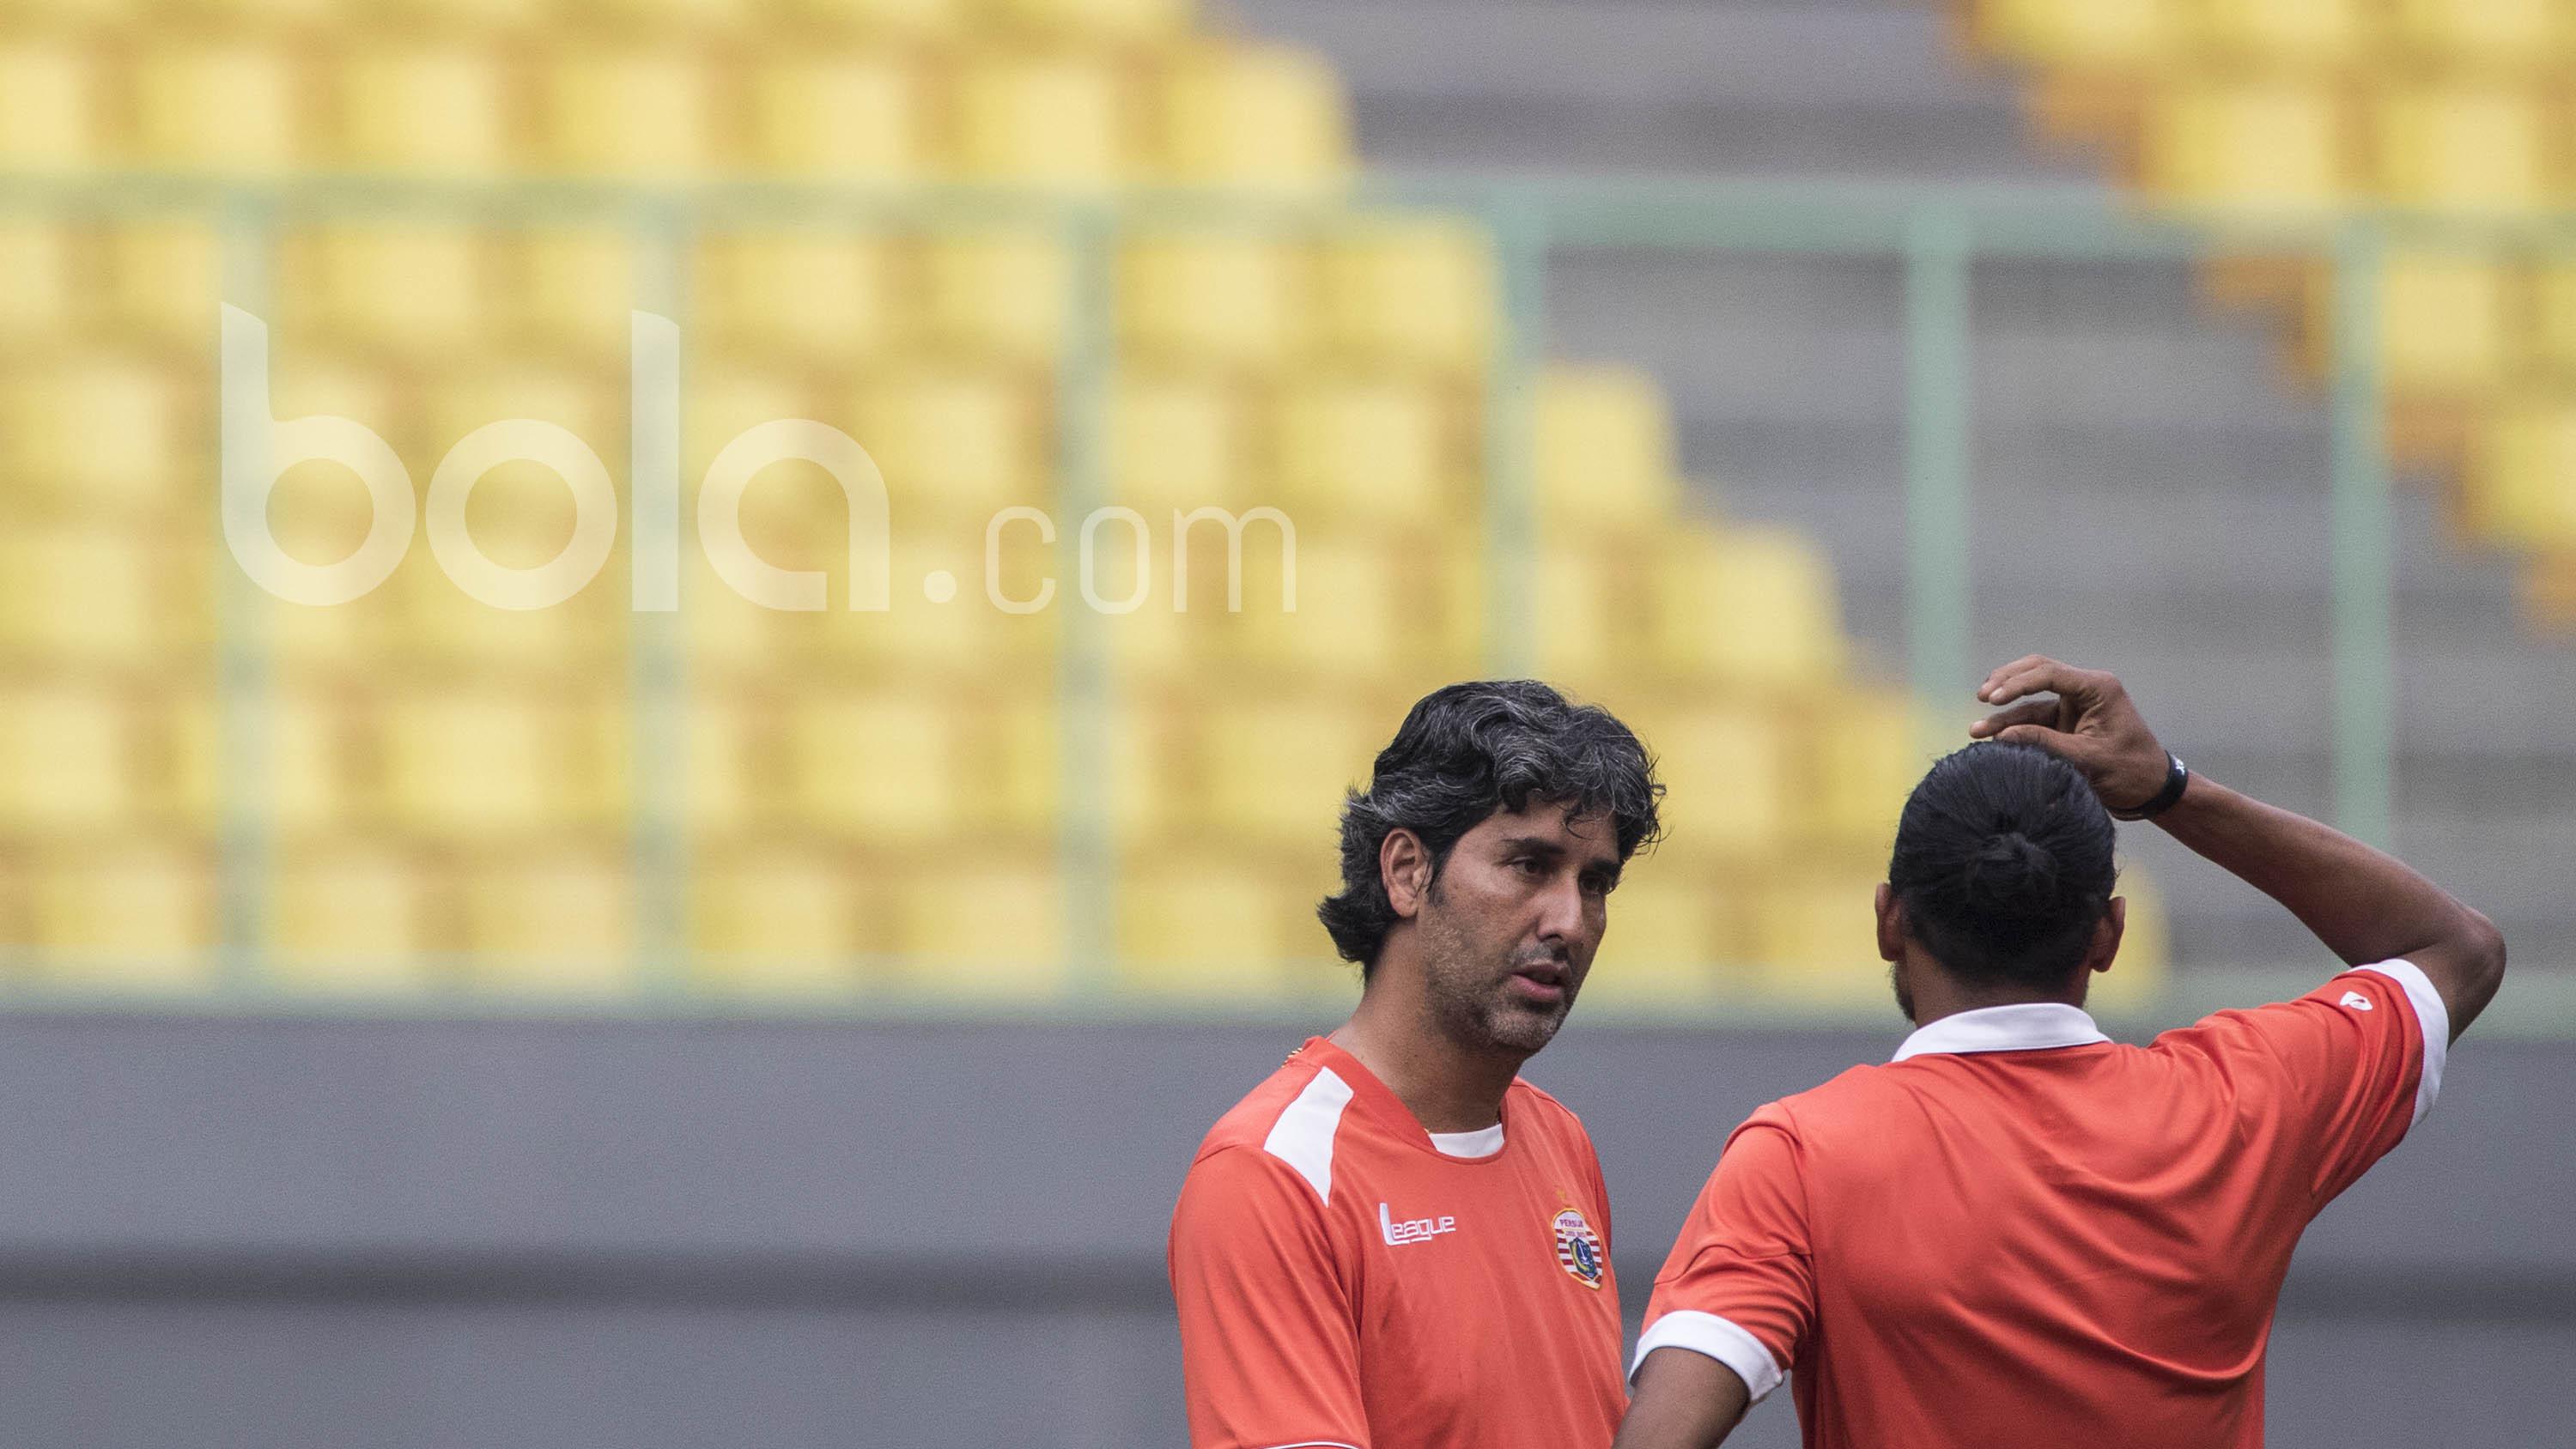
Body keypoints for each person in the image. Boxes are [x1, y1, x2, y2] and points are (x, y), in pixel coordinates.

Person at [1617, 656, 2507, 1449]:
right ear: (2109, 933)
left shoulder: (1801, 1156)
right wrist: (2168, 789)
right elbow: (2459, 949)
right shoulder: (2246, 1099)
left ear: (1889, 919)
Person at [1169, 679, 1664, 1449]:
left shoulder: (1562, 1140)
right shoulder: (1275, 1173)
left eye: (1594, 883)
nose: (1570, 920)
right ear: (1406, 871)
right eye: (1530, 866)